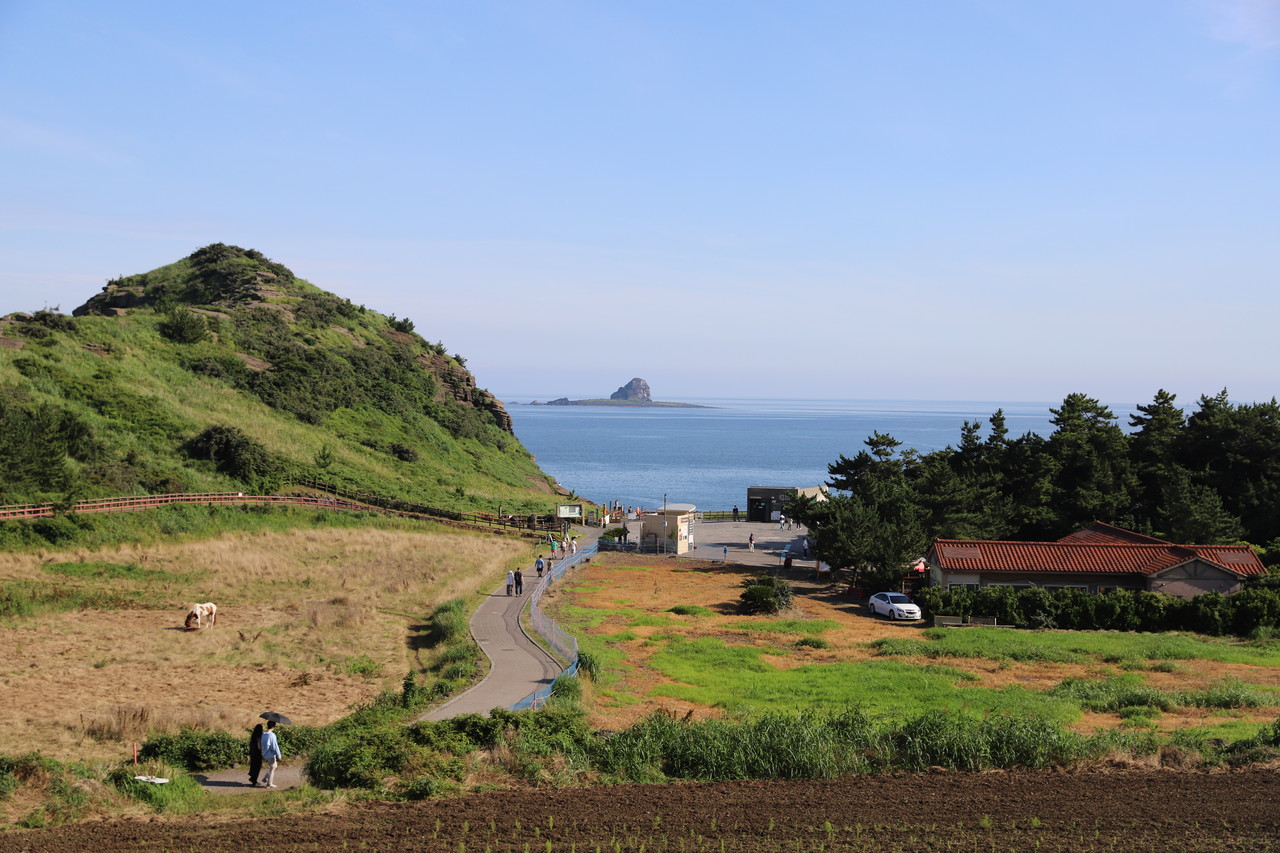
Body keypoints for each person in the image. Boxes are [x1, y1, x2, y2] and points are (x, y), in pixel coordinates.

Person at [260, 720, 281, 788]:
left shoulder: (263, 734)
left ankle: (266, 778)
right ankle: (269, 784)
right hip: (270, 754)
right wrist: (279, 755)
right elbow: (275, 746)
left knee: (272, 767)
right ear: (274, 726)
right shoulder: (272, 735)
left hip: (264, 753)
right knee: (273, 767)